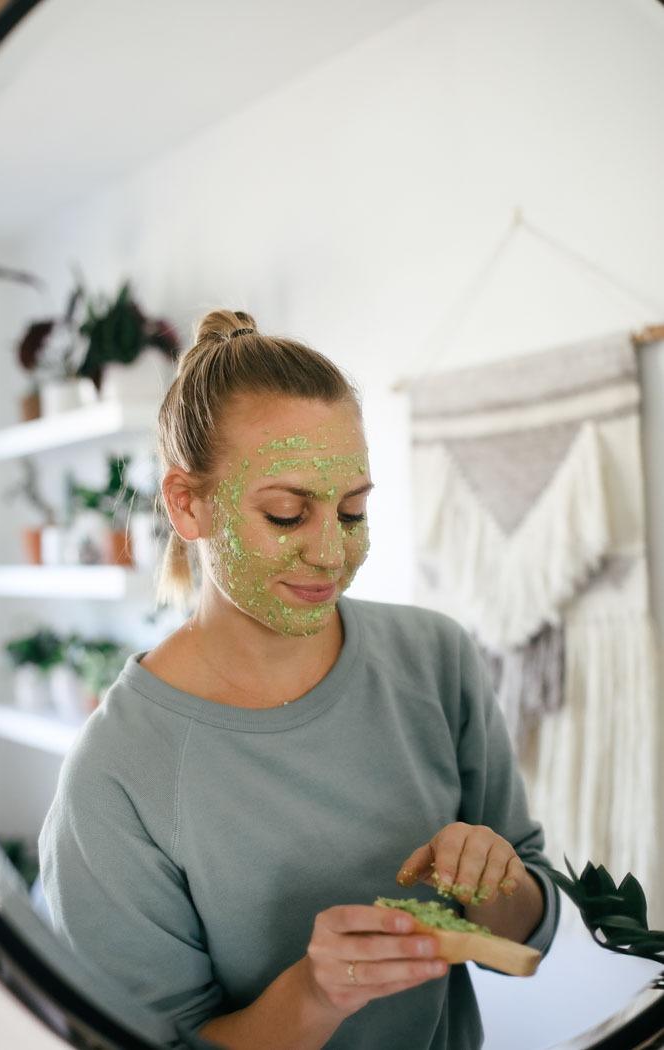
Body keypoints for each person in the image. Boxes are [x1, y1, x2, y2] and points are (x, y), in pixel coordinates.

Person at [39, 309, 560, 1050]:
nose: (329, 554)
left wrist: (499, 885)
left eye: (352, 510)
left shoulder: (435, 658)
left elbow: (530, 928)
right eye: (287, 513)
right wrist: (313, 997)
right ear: (187, 504)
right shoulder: (115, 776)